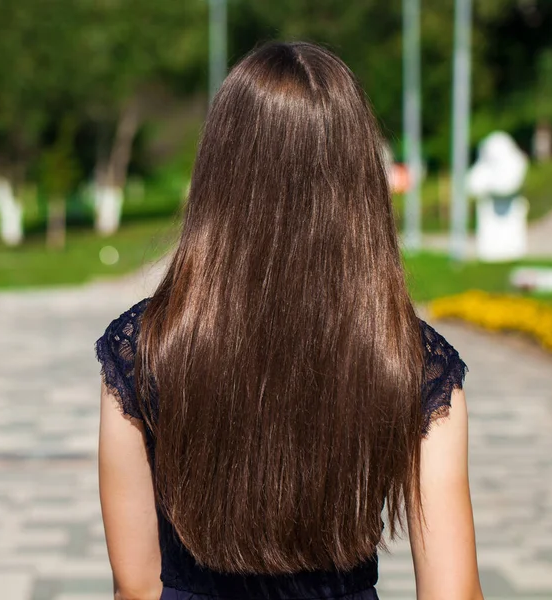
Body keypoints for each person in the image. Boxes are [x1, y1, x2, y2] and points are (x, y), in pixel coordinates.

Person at [96, 41, 483, 600]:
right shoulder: (411, 359)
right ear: (359, 182)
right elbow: (453, 593)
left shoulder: (146, 347)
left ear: (219, 172)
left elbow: (135, 586)